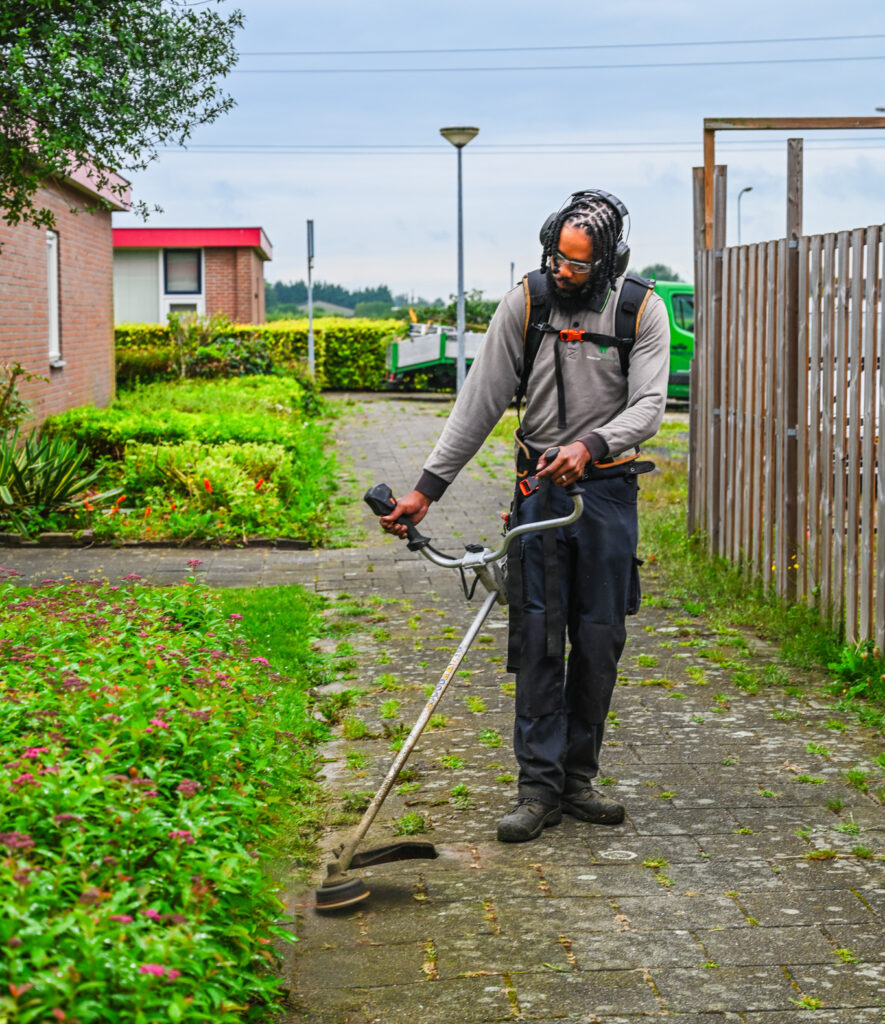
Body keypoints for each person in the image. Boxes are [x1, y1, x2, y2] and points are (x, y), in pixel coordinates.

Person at [381, 189, 670, 842]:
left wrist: (591, 445)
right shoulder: (528, 302)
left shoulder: (639, 310)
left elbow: (649, 407)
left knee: (597, 642)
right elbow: (478, 402)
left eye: (574, 265)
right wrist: (425, 491)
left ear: (604, 263)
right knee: (539, 642)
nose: (560, 271)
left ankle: (577, 782)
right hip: (538, 492)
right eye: (554, 258)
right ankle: (535, 789)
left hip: (606, 493)